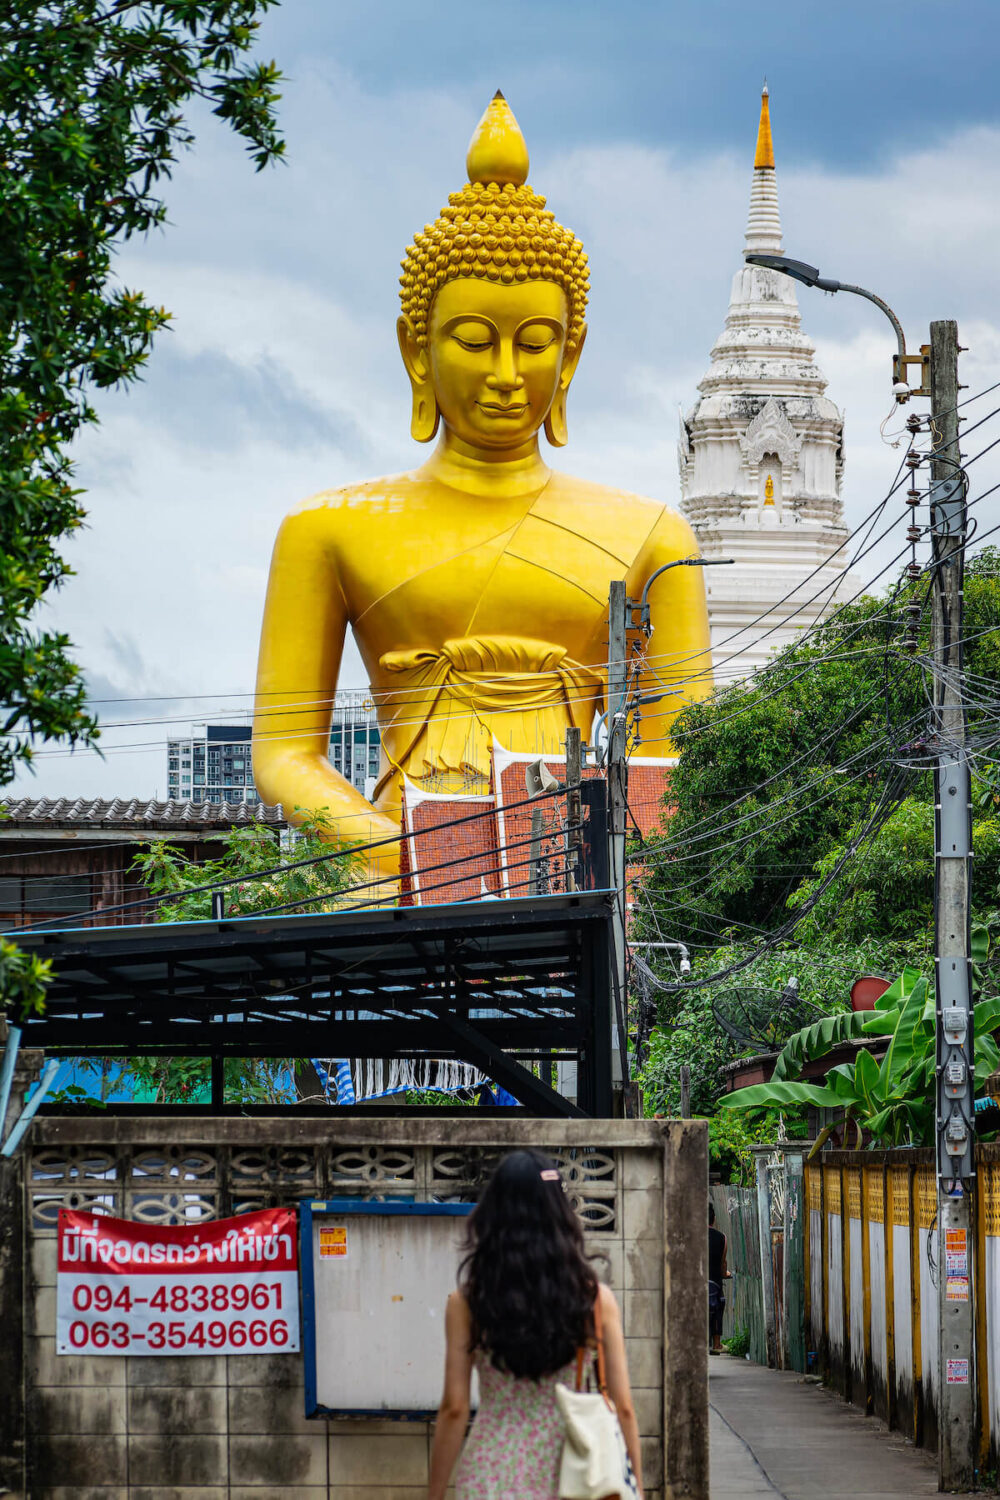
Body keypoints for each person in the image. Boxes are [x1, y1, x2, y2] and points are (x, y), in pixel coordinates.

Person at [427, 1148, 644, 1499]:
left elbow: (454, 1408)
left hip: (489, 1475)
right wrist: (638, 1489)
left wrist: (434, 1494)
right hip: (569, 1474)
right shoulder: (593, 1300)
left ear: (493, 1215)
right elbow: (623, 1407)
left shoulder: (467, 1302)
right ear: (561, 1214)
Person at [708, 1202, 730, 1356]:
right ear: (713, 1219)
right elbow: (723, 1263)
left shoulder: (690, 1235)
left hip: (693, 1284)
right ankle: (716, 1344)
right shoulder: (722, 1238)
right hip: (714, 1283)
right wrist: (725, 1273)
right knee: (718, 1306)